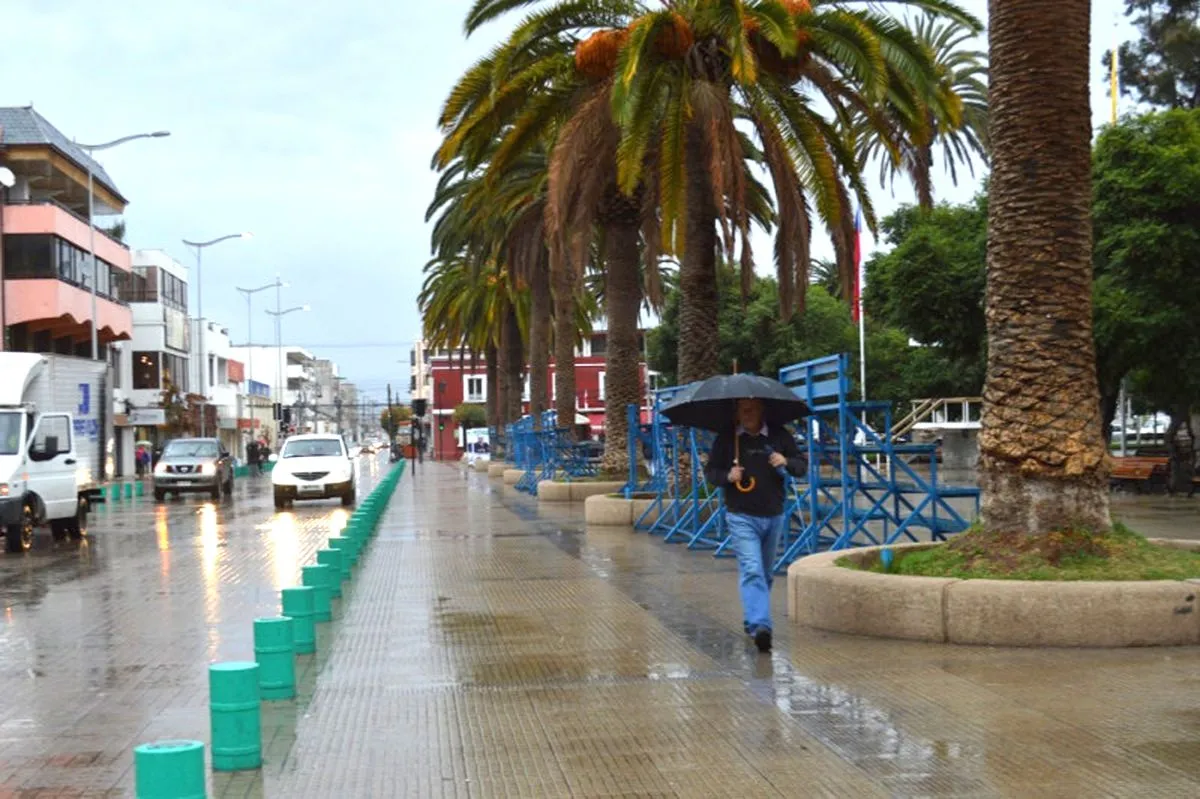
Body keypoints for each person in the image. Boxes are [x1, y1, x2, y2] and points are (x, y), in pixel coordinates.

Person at [704, 398, 806, 653]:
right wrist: (728, 476)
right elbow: (711, 472)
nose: (747, 413)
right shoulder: (728, 439)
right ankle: (762, 626)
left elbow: (801, 466)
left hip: (773, 513)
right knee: (752, 569)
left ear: (762, 410)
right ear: (736, 412)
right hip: (741, 515)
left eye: (752, 409)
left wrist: (786, 461)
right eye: (742, 409)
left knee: (765, 573)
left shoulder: (779, 436)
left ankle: (753, 620)